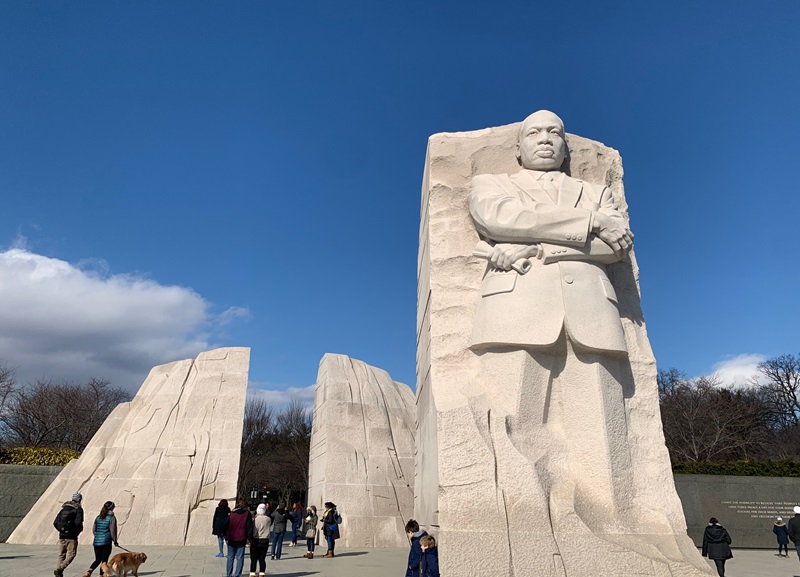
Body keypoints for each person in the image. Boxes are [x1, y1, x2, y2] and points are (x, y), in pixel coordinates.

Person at [82, 501, 118, 577]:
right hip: (106, 542)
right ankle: (101, 575)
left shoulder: (98, 517)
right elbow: (113, 531)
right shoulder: (112, 517)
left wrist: (97, 536)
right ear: (112, 508)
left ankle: (89, 572)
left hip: (97, 542)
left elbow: (94, 530)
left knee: (97, 559)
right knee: (104, 561)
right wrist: (115, 540)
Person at [53, 491, 84, 577]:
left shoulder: (64, 509)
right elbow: (78, 523)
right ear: (79, 500)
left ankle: (58, 574)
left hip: (62, 535)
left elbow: (55, 522)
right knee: (72, 554)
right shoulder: (78, 509)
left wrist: (61, 530)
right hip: (72, 537)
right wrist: (76, 532)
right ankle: (60, 569)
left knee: (61, 555)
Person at [222, 498, 253, 577]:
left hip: (231, 537)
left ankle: (228, 574)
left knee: (230, 557)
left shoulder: (232, 514)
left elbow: (225, 524)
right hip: (241, 537)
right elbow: (249, 527)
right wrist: (250, 538)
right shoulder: (247, 514)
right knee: (239, 557)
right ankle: (237, 574)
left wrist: (224, 534)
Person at [249, 503, 272, 577]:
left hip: (256, 539)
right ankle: (261, 573)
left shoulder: (255, 520)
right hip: (265, 539)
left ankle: (252, 573)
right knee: (262, 558)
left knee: (254, 559)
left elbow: (254, 531)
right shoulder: (268, 519)